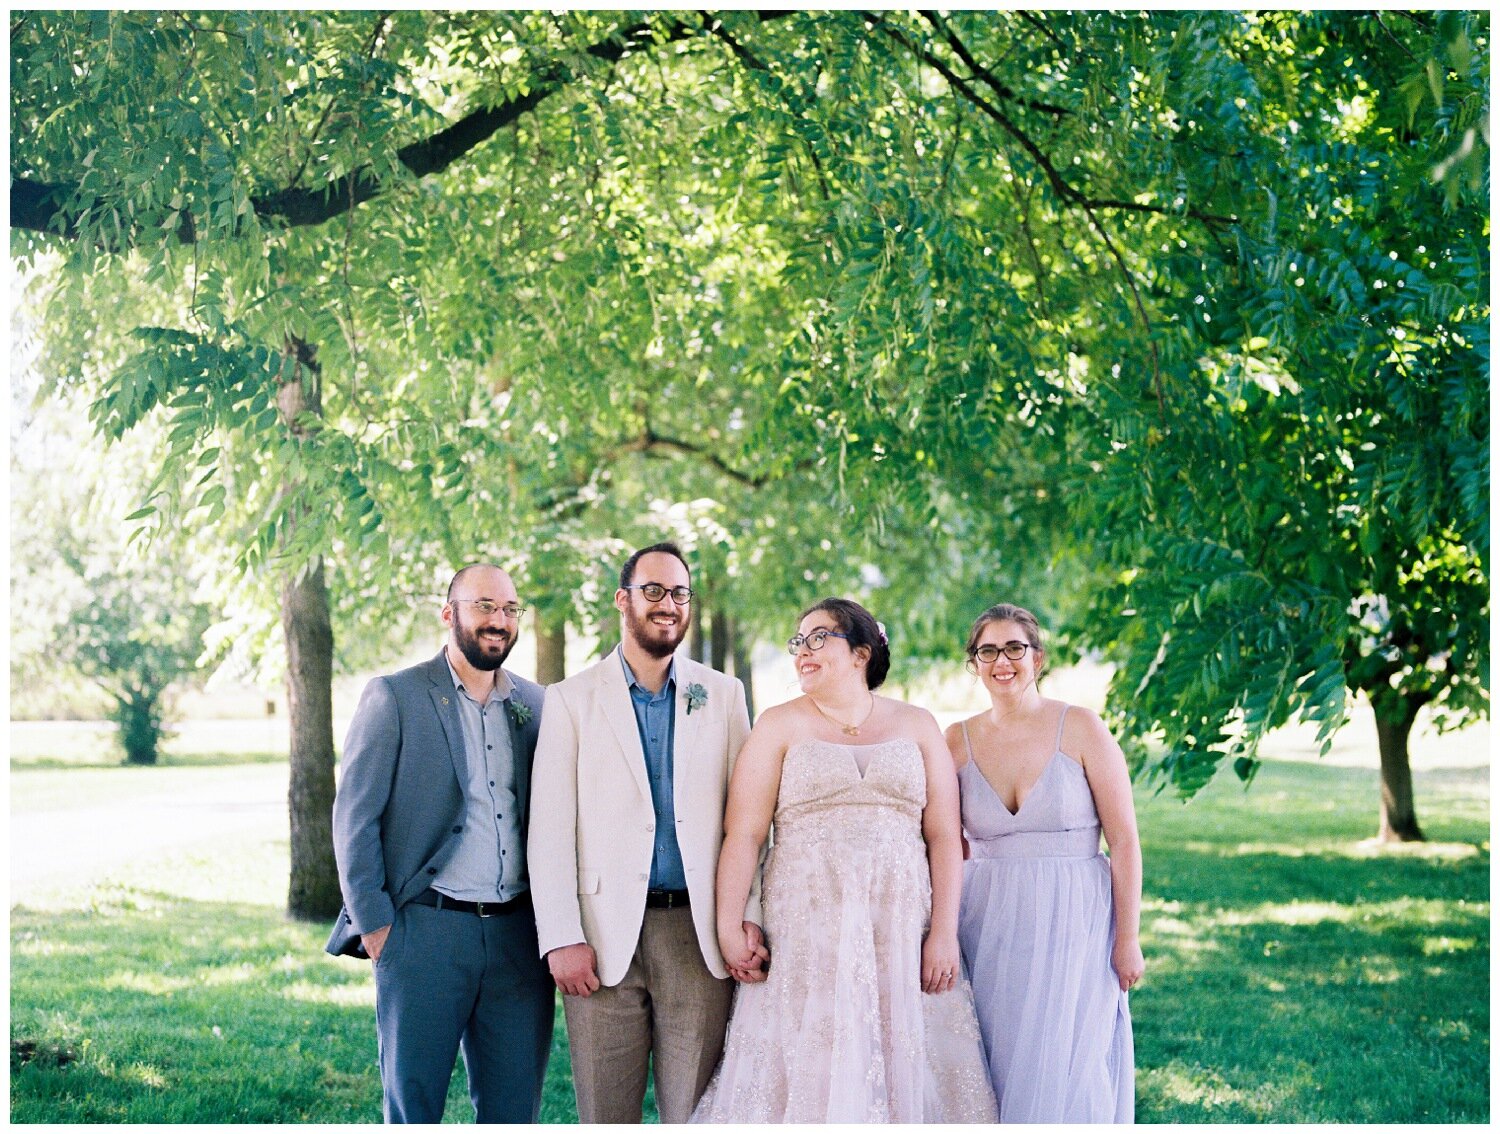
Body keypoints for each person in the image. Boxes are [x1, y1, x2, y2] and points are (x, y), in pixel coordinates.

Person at [691, 598, 998, 1123]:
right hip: (808, 934)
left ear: (860, 653)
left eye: (818, 638)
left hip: (900, 933)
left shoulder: (918, 723)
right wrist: (727, 925)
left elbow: (945, 837)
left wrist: (943, 933)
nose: (802, 651)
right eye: (797, 642)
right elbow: (743, 834)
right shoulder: (778, 725)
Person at [527, 542, 765, 1124]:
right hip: (602, 940)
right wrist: (561, 935)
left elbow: (750, 821)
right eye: (653, 591)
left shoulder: (724, 695)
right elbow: (550, 829)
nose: (667, 604)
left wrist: (747, 915)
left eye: (679, 593)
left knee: (695, 1112)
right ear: (623, 600)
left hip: (699, 933)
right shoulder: (570, 700)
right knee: (606, 1114)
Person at [324, 564, 553, 1123]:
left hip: (519, 939)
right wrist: (378, 926)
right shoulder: (396, 696)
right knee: (415, 1107)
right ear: (449, 613)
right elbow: (355, 817)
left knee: (513, 1111)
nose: (499, 620)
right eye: (484, 606)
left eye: (509, 609)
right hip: (425, 934)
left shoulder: (539, 705)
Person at [946, 602, 1142, 1122]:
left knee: (1069, 1054)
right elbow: (946, 842)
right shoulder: (956, 740)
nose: (1001, 661)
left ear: (1038, 657)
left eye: (1014, 648)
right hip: (986, 918)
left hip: (1074, 914)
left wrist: (1128, 939)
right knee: (998, 1050)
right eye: (987, 651)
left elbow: (1123, 841)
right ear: (975, 662)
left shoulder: (1080, 728)